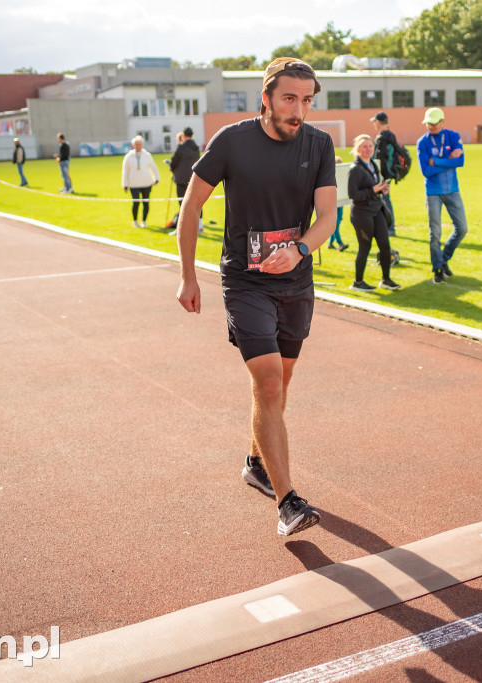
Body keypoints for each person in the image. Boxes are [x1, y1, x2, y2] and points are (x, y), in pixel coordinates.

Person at [176, 57, 336, 536]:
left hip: (295, 281)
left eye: (307, 101)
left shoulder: (319, 144)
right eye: (290, 99)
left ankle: (255, 460)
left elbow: (327, 215)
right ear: (265, 98)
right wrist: (188, 276)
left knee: (280, 383)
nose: (299, 110)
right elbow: (191, 206)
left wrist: (300, 249)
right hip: (245, 282)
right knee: (267, 381)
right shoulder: (232, 141)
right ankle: (289, 502)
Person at [417, 107, 468, 284]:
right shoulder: (422, 142)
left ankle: (444, 258)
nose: (431, 126)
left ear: (442, 122)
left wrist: (437, 160)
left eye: (434, 123)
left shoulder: (453, 136)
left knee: (462, 229)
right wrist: (448, 159)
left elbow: (460, 161)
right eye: (428, 123)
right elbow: (426, 171)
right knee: (435, 233)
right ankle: (437, 268)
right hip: (433, 192)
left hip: (452, 190)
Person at [348, 134, 399, 292]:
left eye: (370, 146)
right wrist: (373, 190)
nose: (368, 149)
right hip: (362, 212)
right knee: (365, 246)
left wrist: (381, 189)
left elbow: (374, 187)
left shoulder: (373, 165)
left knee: (385, 245)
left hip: (376, 209)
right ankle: (358, 282)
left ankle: (386, 279)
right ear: (357, 149)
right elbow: (353, 194)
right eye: (364, 146)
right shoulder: (355, 169)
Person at [371, 111, 402, 237]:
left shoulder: (382, 138)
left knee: (385, 201)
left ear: (378, 122)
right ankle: (388, 227)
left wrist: (379, 176)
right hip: (388, 173)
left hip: (383, 175)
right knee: (385, 200)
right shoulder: (390, 136)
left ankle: (390, 228)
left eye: (375, 122)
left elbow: (380, 159)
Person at [121, 135, 161, 228]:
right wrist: (125, 185)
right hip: (133, 184)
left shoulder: (147, 155)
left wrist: (156, 178)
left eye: (139, 144)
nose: (138, 146)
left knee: (146, 202)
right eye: (136, 144)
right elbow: (125, 171)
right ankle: (135, 221)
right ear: (133, 145)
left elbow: (154, 167)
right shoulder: (128, 157)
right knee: (136, 202)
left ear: (142, 145)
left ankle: (144, 221)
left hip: (146, 183)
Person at [166, 126, 200, 233]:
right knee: (195, 202)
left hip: (181, 179)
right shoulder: (196, 147)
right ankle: (199, 226)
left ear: (184, 135)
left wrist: (170, 166)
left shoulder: (181, 148)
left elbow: (174, 162)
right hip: (193, 177)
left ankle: (181, 228)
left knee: (182, 203)